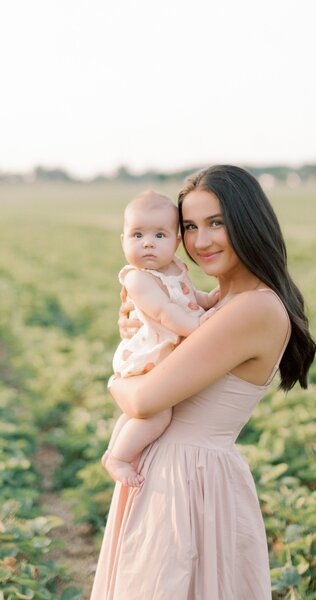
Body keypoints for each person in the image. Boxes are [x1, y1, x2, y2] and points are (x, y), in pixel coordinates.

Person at [90, 165, 316, 599]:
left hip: (188, 488)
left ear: (249, 221)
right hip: (170, 480)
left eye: (217, 223)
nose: (201, 241)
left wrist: (116, 382)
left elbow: (142, 401)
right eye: (190, 226)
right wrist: (143, 332)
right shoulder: (219, 301)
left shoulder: (254, 309)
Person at [102, 190, 218, 487]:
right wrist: (196, 326)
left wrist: (208, 299)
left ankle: (114, 452)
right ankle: (119, 457)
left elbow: (188, 297)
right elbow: (165, 312)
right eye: (137, 235)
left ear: (176, 243)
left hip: (164, 353)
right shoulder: (138, 278)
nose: (148, 243)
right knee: (158, 414)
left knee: (140, 413)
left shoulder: (176, 268)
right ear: (123, 241)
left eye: (159, 235)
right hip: (148, 355)